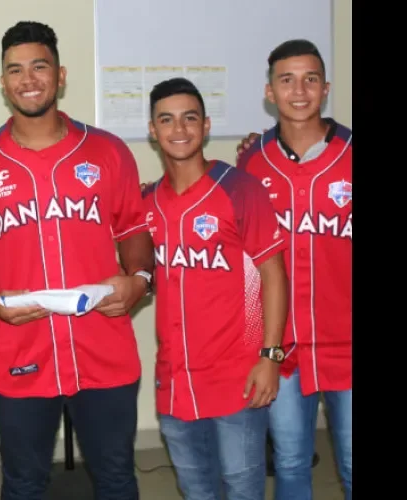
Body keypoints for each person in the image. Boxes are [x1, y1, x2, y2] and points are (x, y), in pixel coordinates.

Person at [0, 21, 154, 500]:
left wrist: (139, 280)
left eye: (39, 66)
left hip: (102, 346)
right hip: (20, 346)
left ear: (60, 76)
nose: (28, 79)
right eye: (14, 70)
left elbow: (133, 230)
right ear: (3, 83)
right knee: (23, 483)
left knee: (117, 478)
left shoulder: (107, 152)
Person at [141, 77, 289, 499]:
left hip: (238, 376)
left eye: (190, 118)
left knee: (243, 488)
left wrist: (270, 357)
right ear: (153, 130)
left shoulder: (240, 190)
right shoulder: (147, 203)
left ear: (205, 126)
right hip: (175, 379)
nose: (180, 129)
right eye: (166, 120)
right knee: (196, 489)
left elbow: (273, 276)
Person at [234, 39, 352, 500]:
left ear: (326, 88)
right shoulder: (251, 161)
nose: (299, 91)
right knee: (289, 462)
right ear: (269, 92)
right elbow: (247, 264)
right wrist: (253, 344)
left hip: (348, 343)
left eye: (310, 79)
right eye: (287, 80)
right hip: (282, 351)